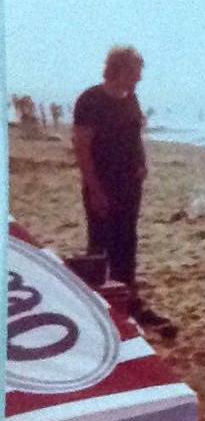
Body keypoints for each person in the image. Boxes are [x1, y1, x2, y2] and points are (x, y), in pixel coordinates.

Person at [73, 46, 147, 298]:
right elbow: (82, 147)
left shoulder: (130, 99)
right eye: (135, 72)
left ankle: (128, 299)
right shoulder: (90, 100)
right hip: (102, 183)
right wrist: (94, 189)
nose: (139, 77)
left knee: (127, 242)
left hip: (130, 185)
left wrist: (141, 163)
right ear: (119, 69)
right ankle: (99, 300)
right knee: (101, 243)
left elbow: (135, 135)